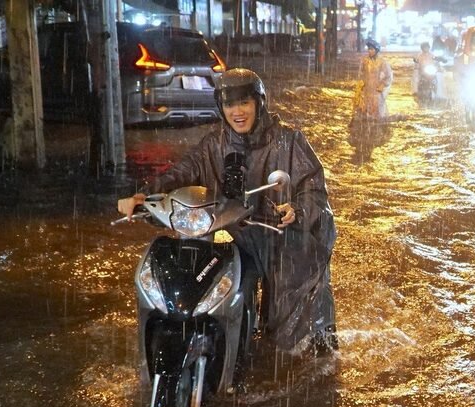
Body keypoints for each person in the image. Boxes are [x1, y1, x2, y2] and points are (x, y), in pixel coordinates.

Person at [116, 68, 338, 356]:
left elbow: (314, 189)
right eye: (229, 104)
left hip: (289, 245)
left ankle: (310, 370)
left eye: (244, 102)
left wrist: (297, 209)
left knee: (296, 343)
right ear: (221, 109)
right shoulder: (215, 144)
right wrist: (142, 195)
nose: (238, 112)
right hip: (244, 241)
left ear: (259, 103)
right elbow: (183, 172)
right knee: (222, 293)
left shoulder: (289, 141)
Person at [356, 38, 393, 119]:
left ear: (376, 50)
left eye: (372, 49)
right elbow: (360, 74)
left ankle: (378, 124)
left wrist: (382, 85)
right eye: (369, 49)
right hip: (367, 89)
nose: (369, 51)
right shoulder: (365, 61)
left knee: (378, 109)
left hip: (377, 89)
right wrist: (360, 84)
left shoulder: (382, 62)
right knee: (365, 108)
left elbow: (389, 76)